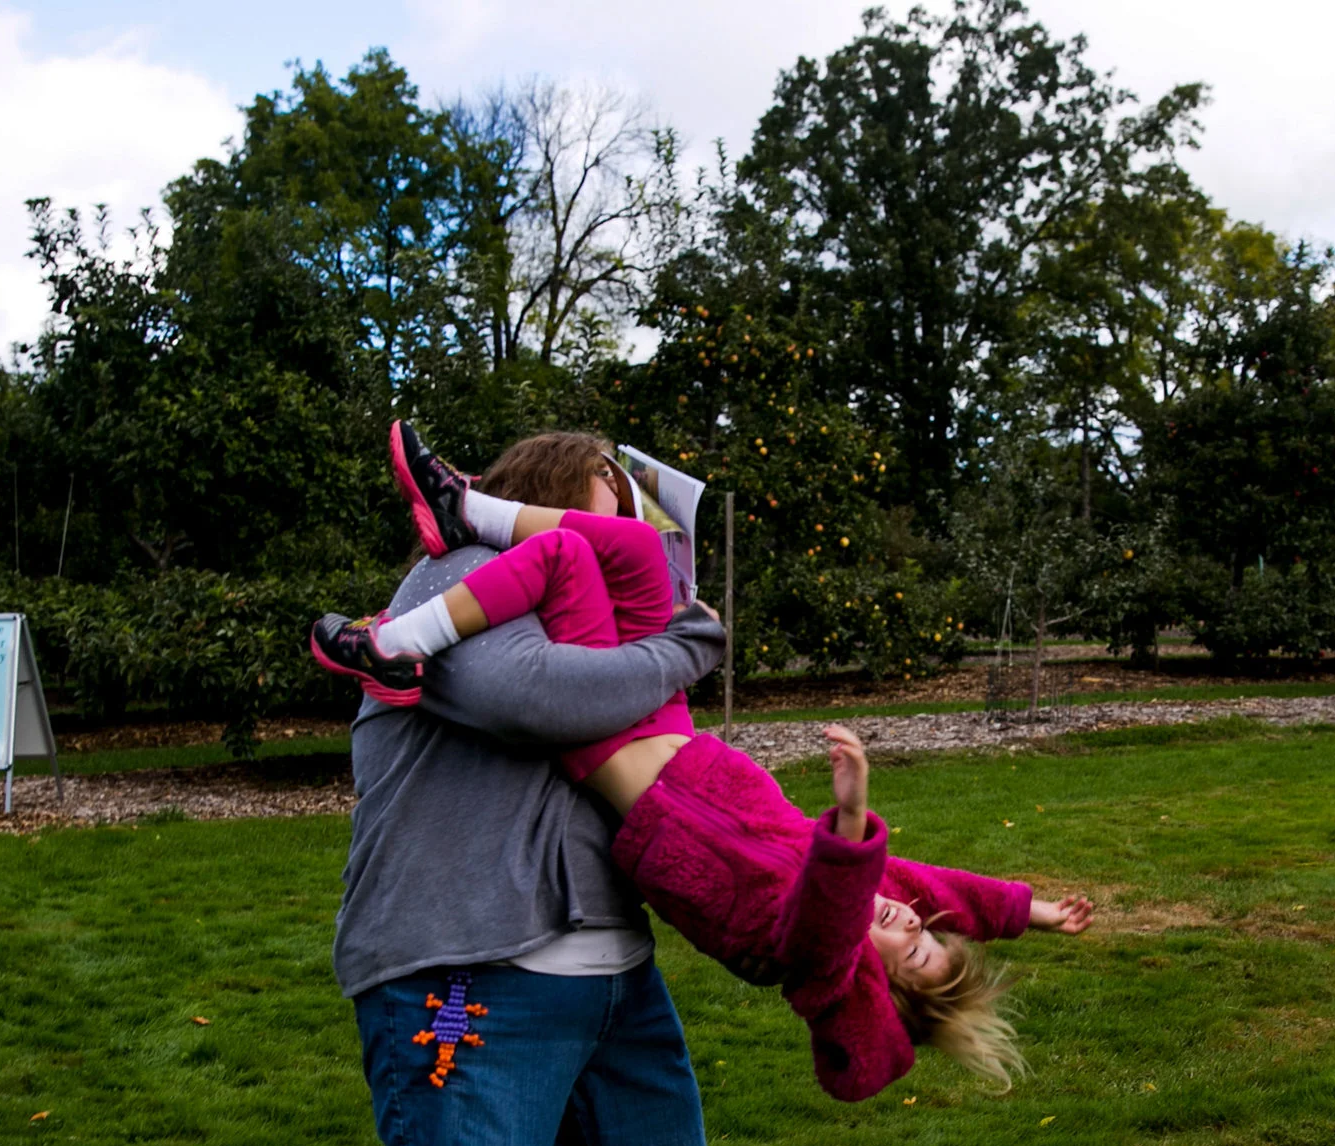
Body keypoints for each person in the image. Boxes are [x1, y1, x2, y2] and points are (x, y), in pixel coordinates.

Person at [291, 429, 803, 1146]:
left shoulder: (595, 623)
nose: (634, 540)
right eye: (607, 508)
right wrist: (688, 636)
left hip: (614, 984)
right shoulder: (442, 600)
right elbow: (536, 698)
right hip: (466, 982)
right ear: (531, 512)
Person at [313, 423, 1094, 1101]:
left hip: (626, 745)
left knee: (568, 553)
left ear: (874, 988)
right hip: (670, 735)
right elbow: (947, 893)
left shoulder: (825, 956)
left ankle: (389, 645)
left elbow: (836, 928)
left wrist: (852, 821)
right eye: (929, 932)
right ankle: (451, 530)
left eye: (915, 949)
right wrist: (1034, 910)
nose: (911, 917)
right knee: (618, 549)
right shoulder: (886, 905)